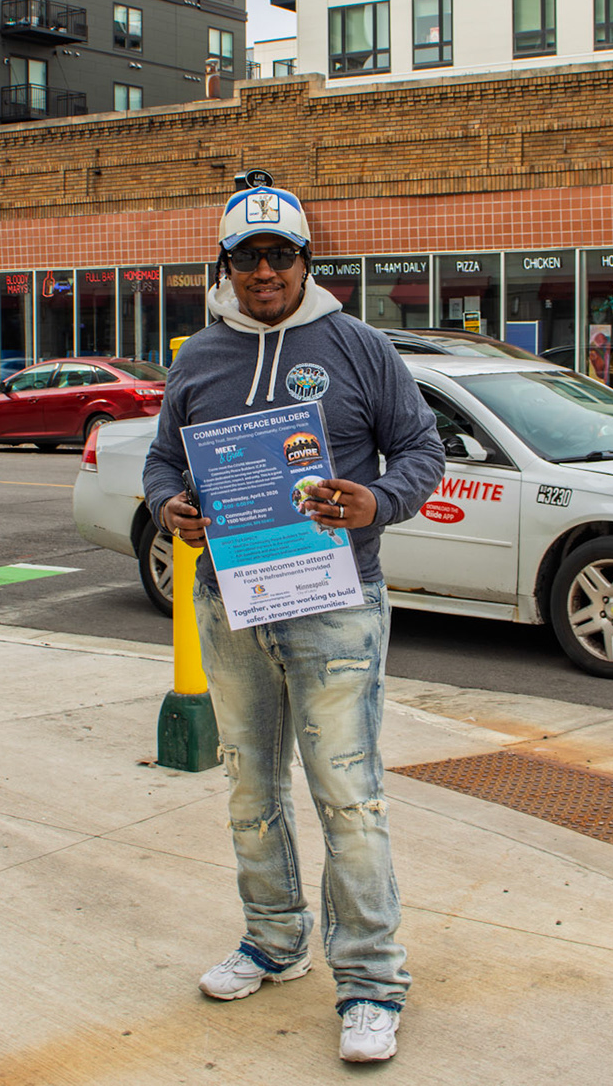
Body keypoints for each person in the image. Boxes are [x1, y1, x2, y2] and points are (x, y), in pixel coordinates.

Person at [143, 183, 445, 1064]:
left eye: (280, 255)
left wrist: (377, 501)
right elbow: (166, 457)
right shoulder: (199, 355)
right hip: (232, 606)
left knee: (347, 794)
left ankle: (372, 983)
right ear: (226, 269)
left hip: (335, 600)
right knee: (250, 791)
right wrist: (170, 505)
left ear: (307, 261)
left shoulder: (358, 346)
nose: (265, 272)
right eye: (247, 259)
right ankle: (273, 943)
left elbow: (421, 449)